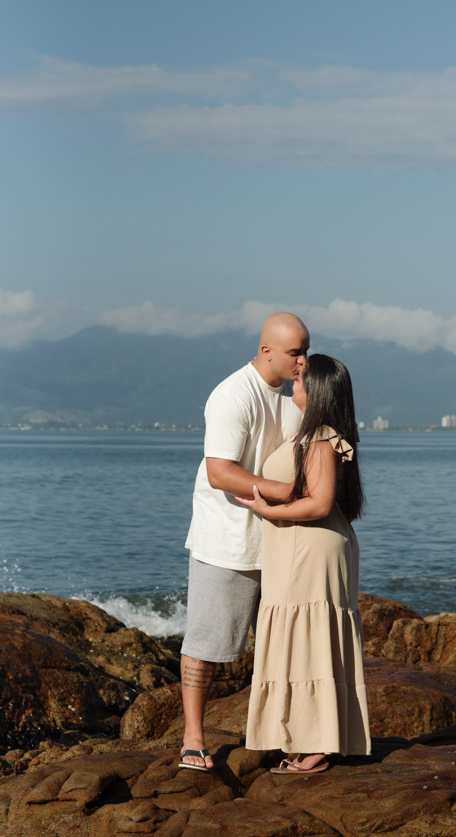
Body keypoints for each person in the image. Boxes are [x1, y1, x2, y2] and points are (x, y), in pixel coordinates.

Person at [179, 312, 310, 771]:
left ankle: (287, 737)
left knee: (281, 646)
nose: (303, 361)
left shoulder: (295, 395)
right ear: (266, 350)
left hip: (277, 540)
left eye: (306, 350)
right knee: (208, 644)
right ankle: (193, 738)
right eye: (296, 352)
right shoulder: (234, 394)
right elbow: (220, 472)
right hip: (227, 542)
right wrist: (286, 493)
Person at [238, 354, 371, 774]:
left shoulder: (318, 436)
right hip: (311, 545)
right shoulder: (317, 434)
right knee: (312, 639)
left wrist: (269, 511)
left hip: (308, 547)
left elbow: (319, 502)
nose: (293, 383)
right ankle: (316, 738)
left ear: (314, 391)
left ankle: (315, 746)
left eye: (300, 379)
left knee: (308, 640)